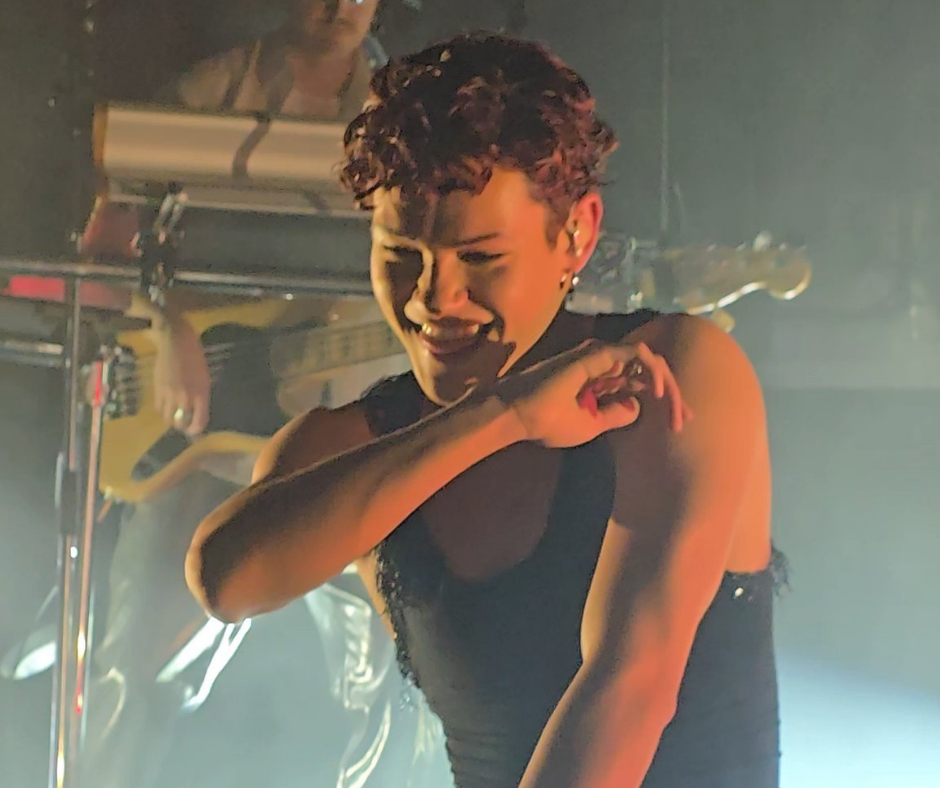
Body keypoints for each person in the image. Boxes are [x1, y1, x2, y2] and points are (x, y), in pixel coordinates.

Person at [187, 32, 783, 788]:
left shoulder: (678, 371)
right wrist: (501, 417)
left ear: (577, 234)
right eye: (400, 254)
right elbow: (228, 579)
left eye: (479, 257)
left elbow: (633, 684)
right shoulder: (357, 438)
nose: (431, 298)